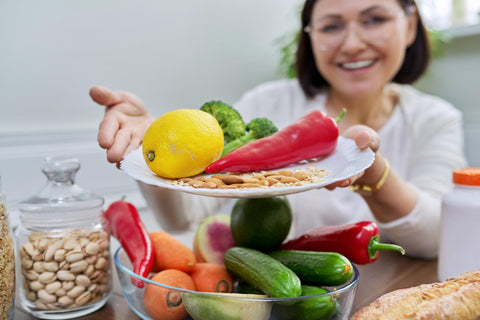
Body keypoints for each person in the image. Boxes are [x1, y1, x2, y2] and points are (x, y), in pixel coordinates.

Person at [90, 0, 467, 258]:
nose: (352, 43)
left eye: (374, 19)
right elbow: (187, 215)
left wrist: (375, 176)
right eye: (331, 26)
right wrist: (150, 150)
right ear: (311, 37)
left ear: (411, 25)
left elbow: (442, 237)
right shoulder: (268, 103)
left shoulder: (435, 119)